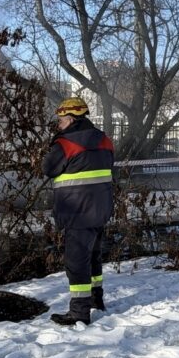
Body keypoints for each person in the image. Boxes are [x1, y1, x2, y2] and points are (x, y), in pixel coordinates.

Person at [42, 96, 115, 326]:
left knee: (76, 262)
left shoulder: (65, 144)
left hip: (77, 210)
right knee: (93, 256)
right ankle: (96, 299)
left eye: (62, 120)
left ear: (72, 119)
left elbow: (49, 168)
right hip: (100, 209)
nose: (59, 125)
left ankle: (79, 312)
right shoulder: (105, 140)